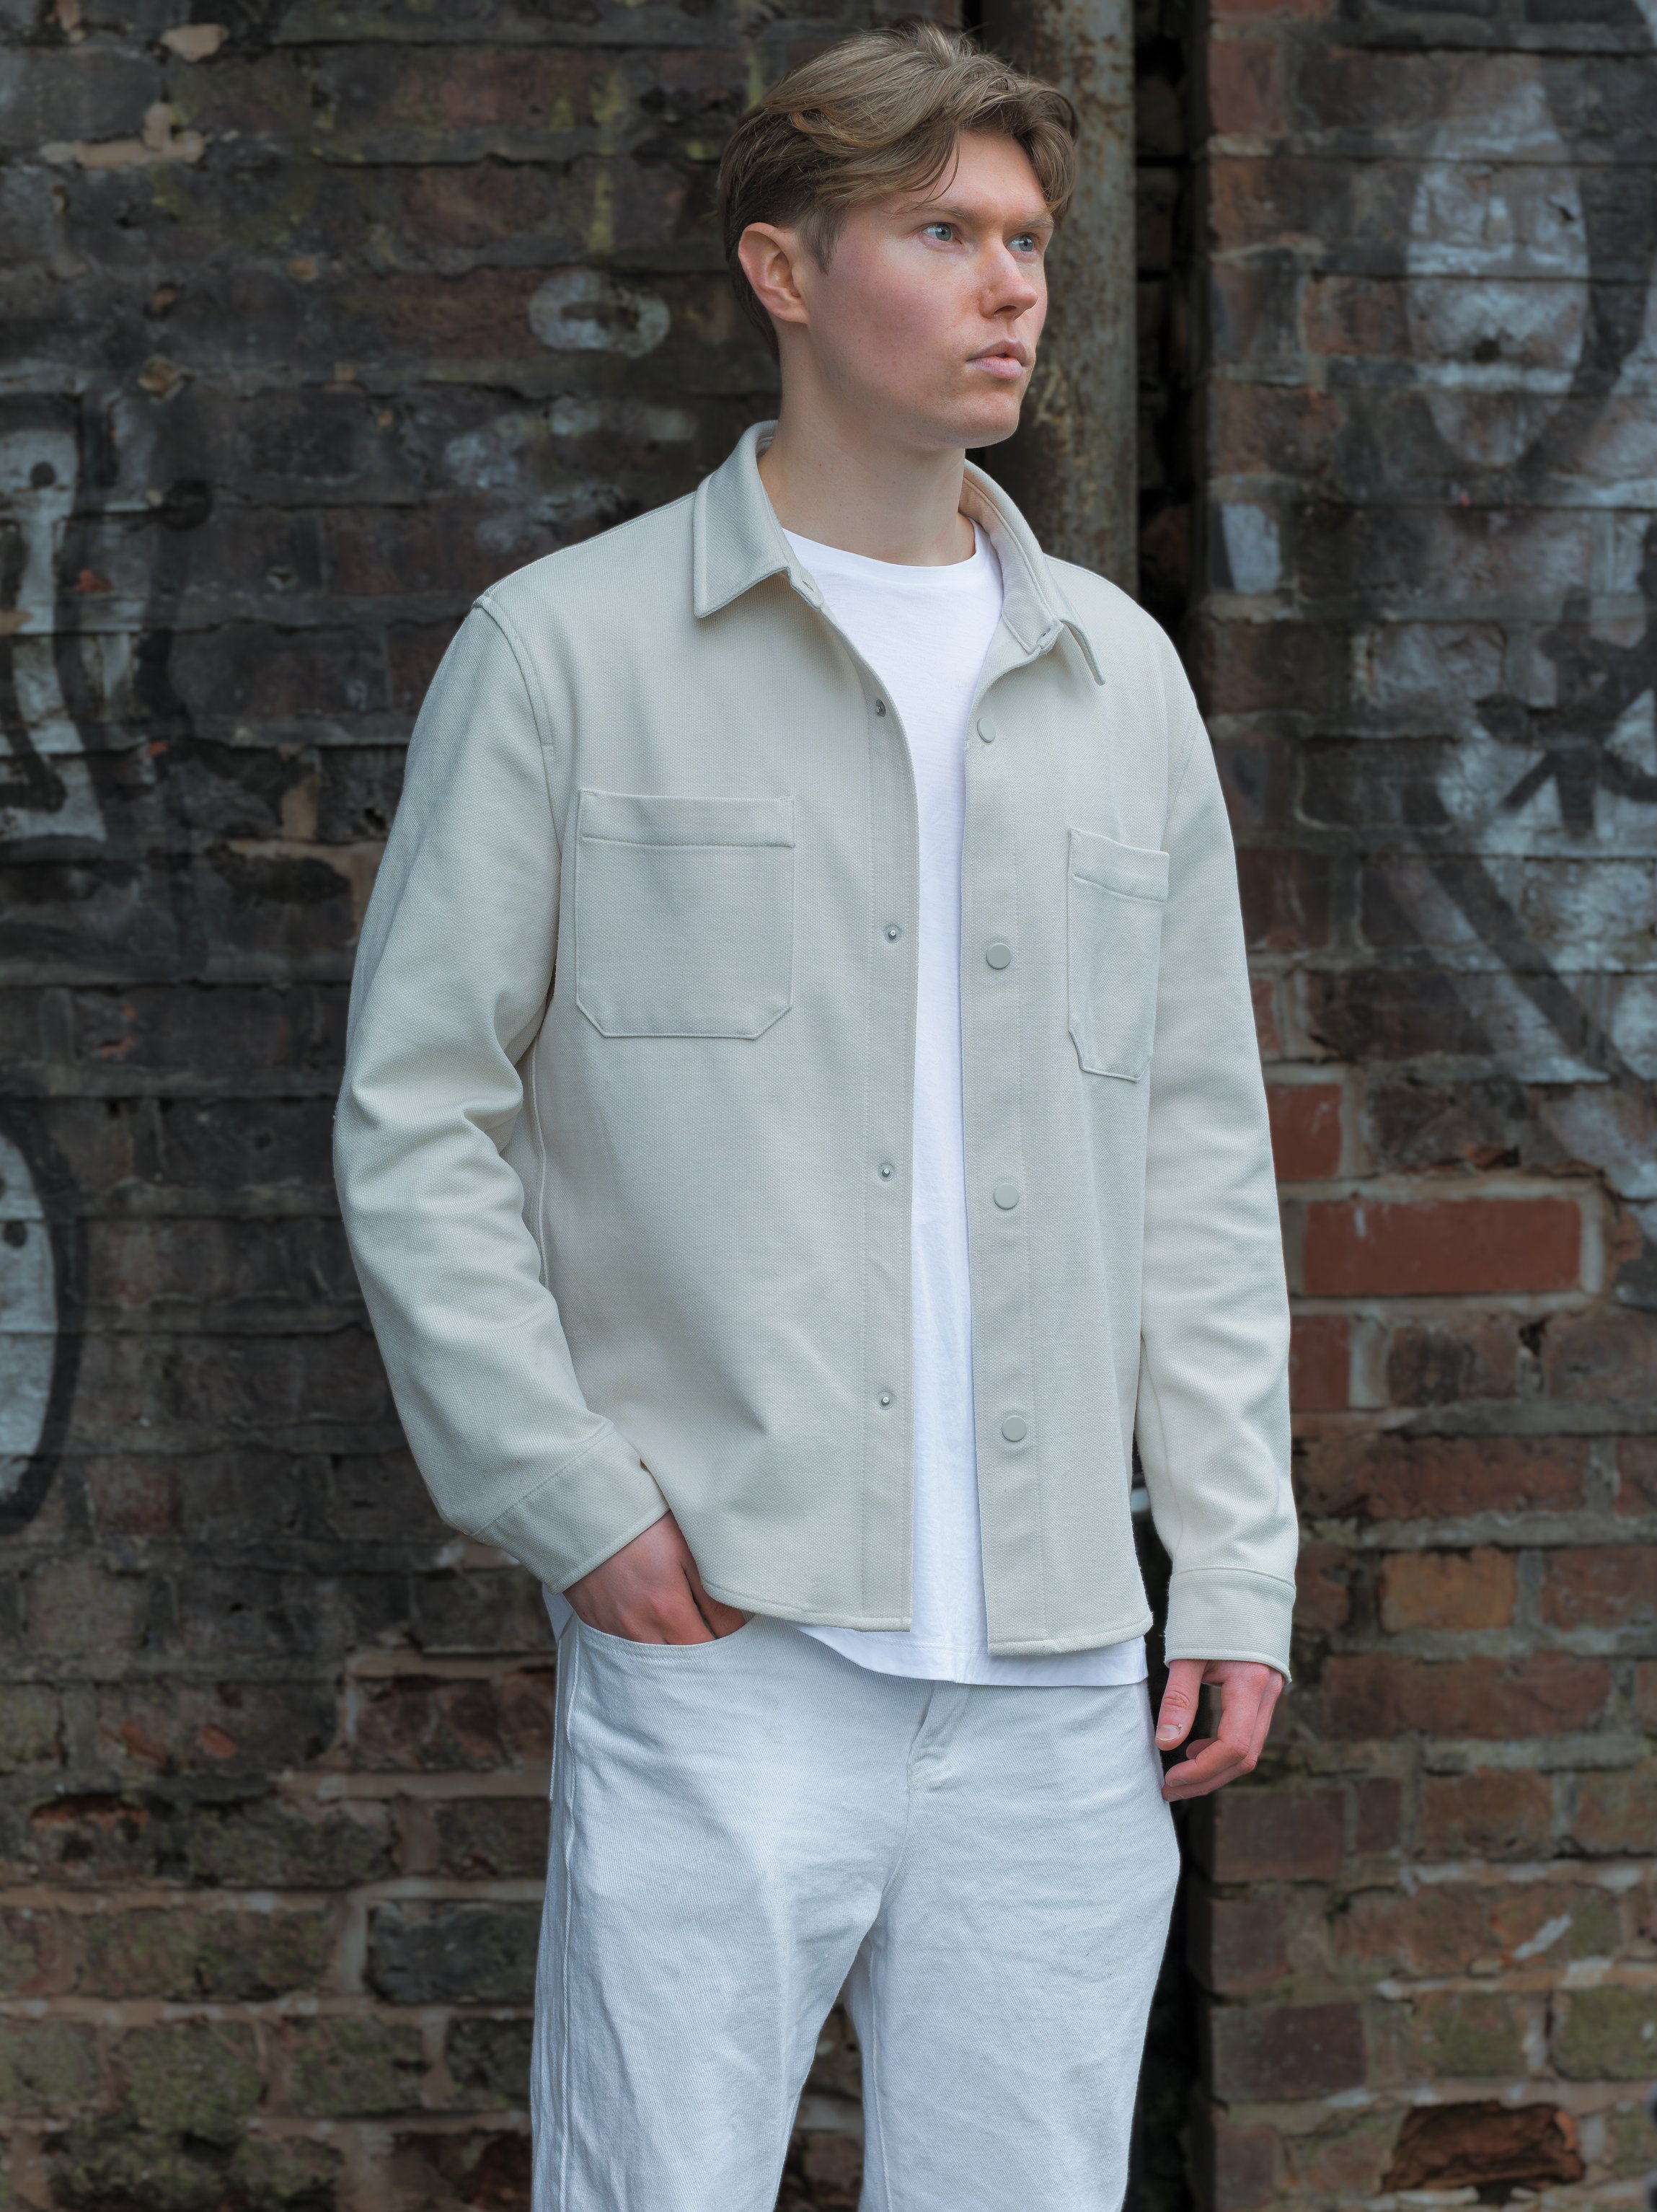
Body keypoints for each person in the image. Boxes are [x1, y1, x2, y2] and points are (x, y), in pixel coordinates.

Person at [334, 19, 1295, 2209]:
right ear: (783, 269)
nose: (1008, 287)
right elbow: (418, 1115)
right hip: (734, 1642)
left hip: (1060, 1676)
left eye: (1028, 239)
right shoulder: (565, 654)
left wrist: (1230, 1552)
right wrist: (569, 1496)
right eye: (940, 232)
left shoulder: (1116, 681)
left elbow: (1195, 1155)